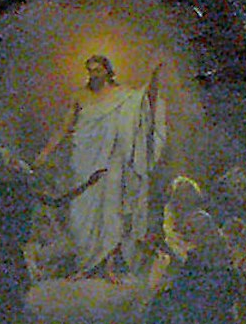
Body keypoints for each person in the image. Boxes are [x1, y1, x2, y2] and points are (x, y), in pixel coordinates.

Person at [39, 53, 167, 280]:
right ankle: (84, 265)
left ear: (107, 71)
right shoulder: (80, 96)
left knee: (111, 213)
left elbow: (144, 104)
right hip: (83, 160)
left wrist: (153, 76)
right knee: (81, 216)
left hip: (111, 162)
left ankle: (108, 268)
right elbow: (65, 128)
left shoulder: (123, 97)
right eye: (90, 70)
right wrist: (46, 151)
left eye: (98, 70)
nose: (94, 75)